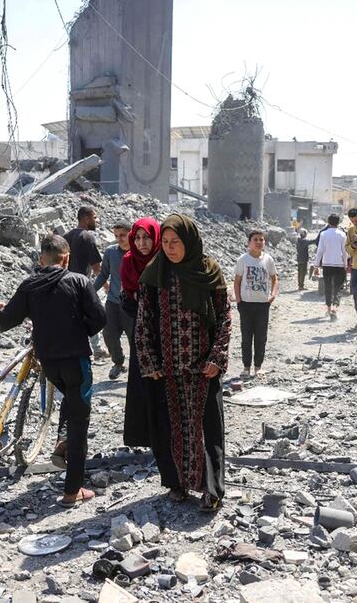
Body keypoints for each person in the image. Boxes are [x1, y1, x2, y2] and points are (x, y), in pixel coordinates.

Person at [0, 234, 107, 508]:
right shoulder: (79, 281)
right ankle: (72, 491)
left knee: (70, 399)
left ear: (41, 259)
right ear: (66, 259)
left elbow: (4, 322)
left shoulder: (29, 285)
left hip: (49, 364)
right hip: (76, 361)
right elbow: (99, 318)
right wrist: (80, 330)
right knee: (80, 421)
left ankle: (62, 441)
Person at [137, 215, 231, 512]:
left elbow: (224, 318)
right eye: (165, 242)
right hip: (167, 370)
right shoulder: (155, 273)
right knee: (170, 428)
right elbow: (144, 320)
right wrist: (149, 359)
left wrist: (217, 357)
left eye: (175, 242)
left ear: (189, 241)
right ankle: (176, 482)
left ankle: (212, 490)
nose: (169, 248)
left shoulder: (208, 272)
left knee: (207, 430)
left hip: (204, 368)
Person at [119, 217, 164, 450]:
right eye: (137, 238)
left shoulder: (165, 260)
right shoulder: (129, 262)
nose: (141, 243)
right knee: (141, 381)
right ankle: (142, 436)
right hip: (141, 332)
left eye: (146, 237)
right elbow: (125, 298)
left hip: (166, 332)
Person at [234, 230, 279, 378]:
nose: (259, 242)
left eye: (261, 240)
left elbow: (274, 279)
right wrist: (239, 301)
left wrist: (273, 295)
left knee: (261, 337)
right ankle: (246, 367)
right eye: (256, 239)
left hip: (262, 305)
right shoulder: (243, 259)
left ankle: (258, 367)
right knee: (246, 337)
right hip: (246, 304)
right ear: (249, 243)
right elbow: (237, 281)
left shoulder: (268, 259)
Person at [64, 206, 107, 358]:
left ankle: (82, 347)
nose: (96, 221)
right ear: (86, 218)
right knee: (94, 313)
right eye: (94, 218)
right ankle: (96, 349)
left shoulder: (66, 236)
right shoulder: (87, 237)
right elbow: (96, 266)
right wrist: (106, 285)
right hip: (82, 285)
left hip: (65, 285)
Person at [94, 222, 133, 380]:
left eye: (123, 235)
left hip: (132, 304)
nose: (119, 239)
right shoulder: (111, 252)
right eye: (116, 236)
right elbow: (103, 274)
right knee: (109, 334)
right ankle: (118, 363)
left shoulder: (139, 253)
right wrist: (90, 291)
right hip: (113, 302)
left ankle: (138, 368)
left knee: (134, 338)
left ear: (131, 234)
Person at [312, 214, 348, 321]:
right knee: (337, 287)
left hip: (327, 265)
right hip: (339, 265)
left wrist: (316, 266)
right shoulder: (342, 234)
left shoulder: (323, 234)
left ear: (328, 222)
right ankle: (334, 308)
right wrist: (346, 264)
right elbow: (344, 251)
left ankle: (328, 309)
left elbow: (320, 251)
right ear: (338, 222)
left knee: (328, 287)